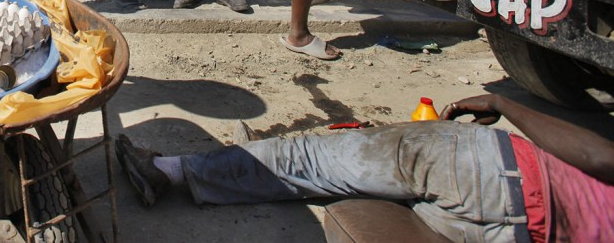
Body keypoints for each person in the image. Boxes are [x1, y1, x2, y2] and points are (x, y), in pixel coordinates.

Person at [116, 93, 614, 242]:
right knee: (342, 191)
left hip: (498, 170)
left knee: (312, 161)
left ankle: (171, 170)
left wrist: (507, 105)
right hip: (507, 236)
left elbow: (599, 157)